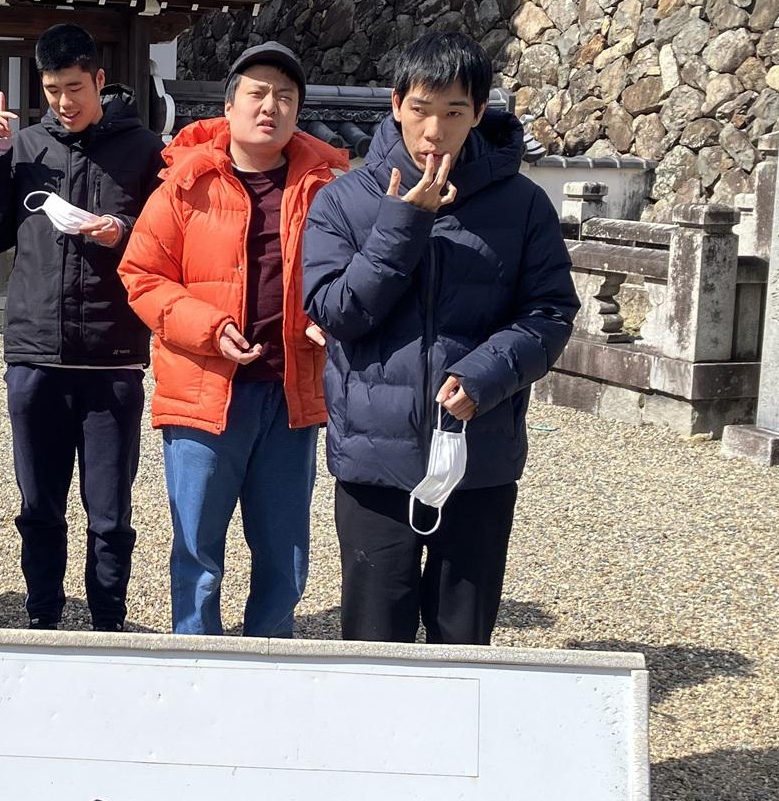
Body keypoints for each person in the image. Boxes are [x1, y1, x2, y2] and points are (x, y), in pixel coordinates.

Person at [302, 32, 578, 646]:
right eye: (422, 109)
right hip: (375, 461)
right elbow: (335, 312)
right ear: (396, 103)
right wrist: (407, 222)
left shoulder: (522, 204)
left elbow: (551, 312)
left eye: (455, 112)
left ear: (480, 113)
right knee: (376, 638)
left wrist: (484, 376)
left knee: (463, 637)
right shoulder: (344, 200)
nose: (435, 130)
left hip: (477, 457)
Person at [119, 42, 346, 638]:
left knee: (285, 550)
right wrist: (208, 328)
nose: (270, 107)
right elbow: (141, 275)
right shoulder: (186, 183)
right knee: (197, 548)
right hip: (203, 394)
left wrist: (336, 315)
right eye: (257, 93)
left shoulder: (330, 186)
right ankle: (198, 663)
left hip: (289, 394)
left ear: (298, 111)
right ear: (229, 105)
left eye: (285, 98)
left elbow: (355, 270)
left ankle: (271, 661)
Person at [0, 23, 166, 633]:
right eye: (52, 89)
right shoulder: (25, 146)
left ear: (99, 81)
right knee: (39, 509)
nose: (64, 101)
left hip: (112, 356)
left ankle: (108, 623)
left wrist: (122, 234)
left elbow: (166, 243)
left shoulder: (145, 151)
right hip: (35, 355)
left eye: (75, 87)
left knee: (109, 514)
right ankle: (43, 620)